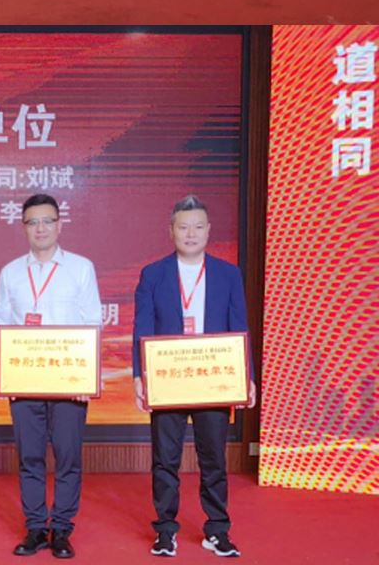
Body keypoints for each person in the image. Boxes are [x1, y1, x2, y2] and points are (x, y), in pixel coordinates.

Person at [134, 196, 252, 559]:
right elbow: (142, 327)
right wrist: (139, 376)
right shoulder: (153, 274)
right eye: (183, 227)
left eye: (198, 227)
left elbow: (239, 326)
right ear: (170, 231)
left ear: (208, 231)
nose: (190, 233)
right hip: (168, 379)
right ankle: (165, 530)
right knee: (165, 459)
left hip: (211, 378)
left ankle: (217, 529)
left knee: (213, 458)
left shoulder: (228, 274)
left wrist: (246, 376)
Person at [0, 193, 101, 559]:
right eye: (32, 222)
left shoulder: (81, 268)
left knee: (68, 456)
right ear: (24, 227)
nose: (40, 228)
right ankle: (36, 527)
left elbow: (92, 322)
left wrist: (87, 377)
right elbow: (0, 323)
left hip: (69, 381)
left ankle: (63, 529)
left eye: (47, 221)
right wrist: (6, 373)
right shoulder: (10, 272)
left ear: (59, 224)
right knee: (30, 457)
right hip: (24, 381)